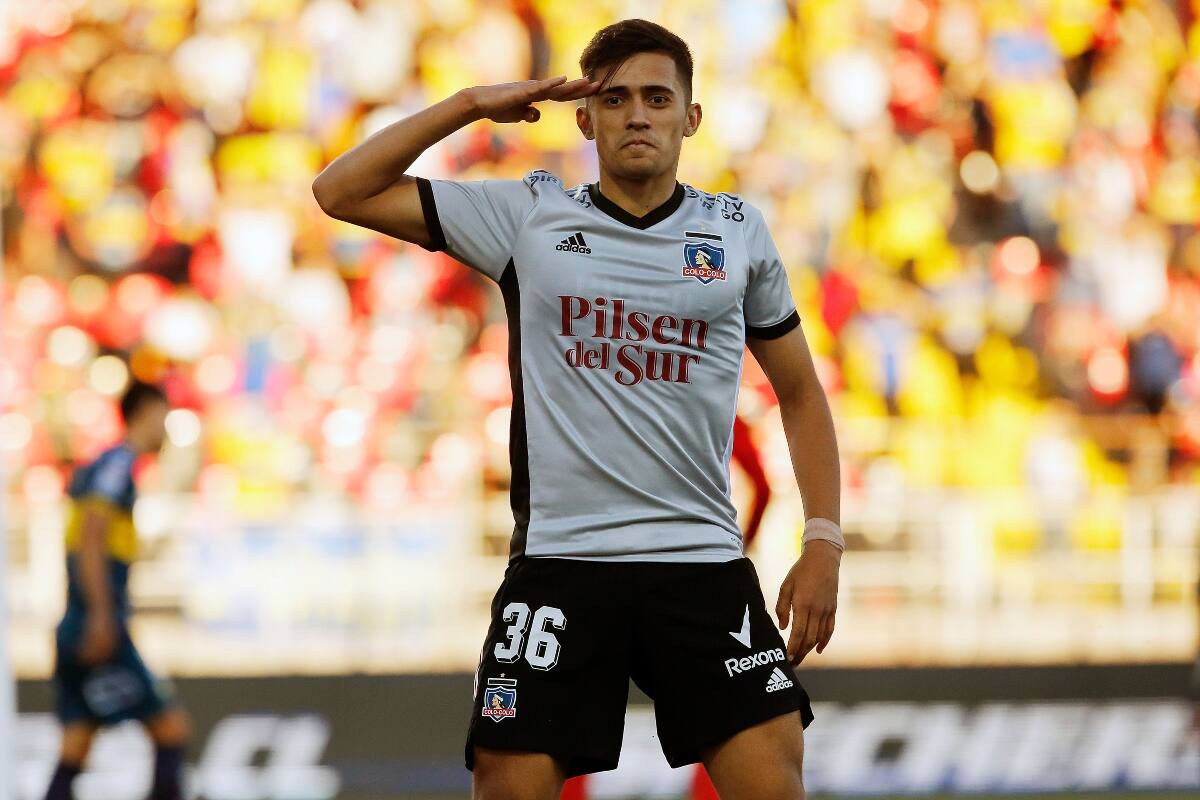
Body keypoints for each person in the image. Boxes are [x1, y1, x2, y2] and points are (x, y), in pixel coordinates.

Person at [313, 18, 843, 799]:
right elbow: (339, 190)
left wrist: (824, 540)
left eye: (657, 98)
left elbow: (800, 393)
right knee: (506, 783)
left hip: (699, 564)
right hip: (562, 565)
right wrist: (469, 104)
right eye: (616, 97)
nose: (637, 115)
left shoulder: (736, 233)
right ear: (583, 118)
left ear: (690, 118)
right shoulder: (527, 218)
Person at [43, 381, 189, 800]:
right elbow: (90, 543)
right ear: (146, 411)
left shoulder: (110, 467)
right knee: (169, 729)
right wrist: (103, 616)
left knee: (77, 740)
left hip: (78, 623)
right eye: (164, 415)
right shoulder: (115, 467)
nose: (167, 429)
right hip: (94, 624)